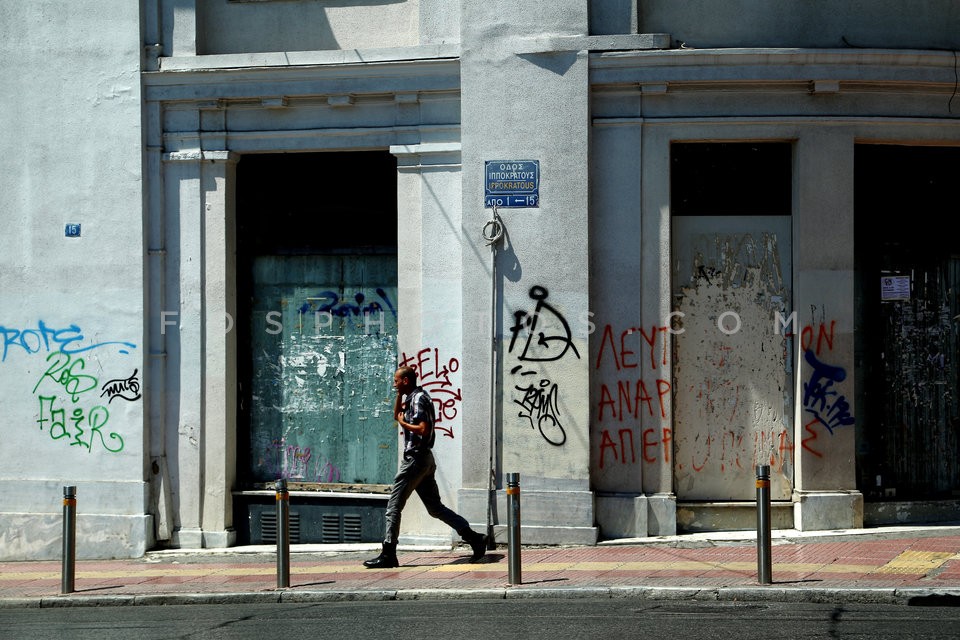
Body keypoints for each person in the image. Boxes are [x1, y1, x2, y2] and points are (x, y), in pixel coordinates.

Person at [363, 365, 487, 568]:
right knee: (435, 508)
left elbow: (423, 429)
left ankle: (388, 553)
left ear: (405, 381)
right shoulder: (412, 397)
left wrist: (404, 424)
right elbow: (396, 415)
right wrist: (399, 397)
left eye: (396, 381)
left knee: (393, 506)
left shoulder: (419, 398)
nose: (394, 384)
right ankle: (475, 538)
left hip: (415, 459)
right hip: (424, 460)